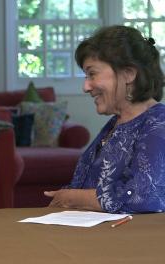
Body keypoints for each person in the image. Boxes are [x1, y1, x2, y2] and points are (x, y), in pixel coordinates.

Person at [44, 25, 165, 214]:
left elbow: (144, 196)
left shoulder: (159, 123)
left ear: (128, 74)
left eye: (92, 74)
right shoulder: (115, 123)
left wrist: (72, 198)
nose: (85, 86)